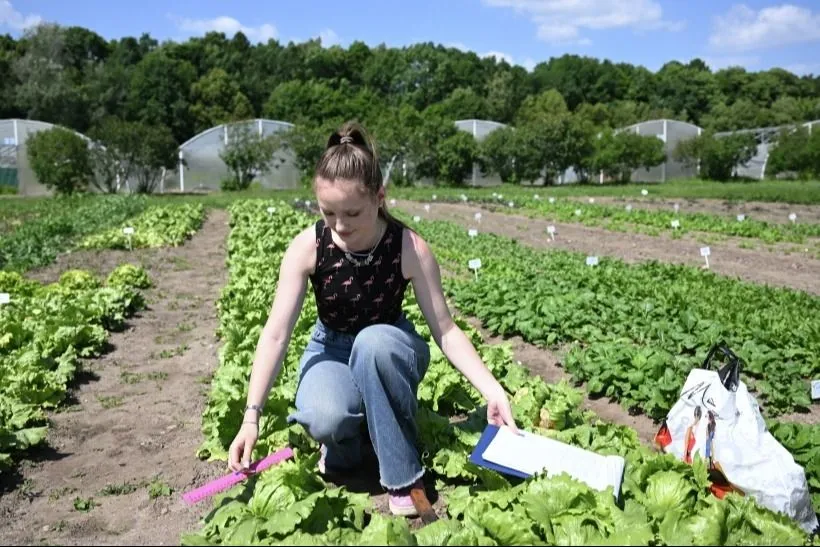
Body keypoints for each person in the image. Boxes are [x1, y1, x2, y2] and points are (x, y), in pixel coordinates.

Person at [227, 121, 519, 517]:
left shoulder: (409, 247)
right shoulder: (308, 246)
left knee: (374, 344)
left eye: (352, 213)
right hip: (331, 347)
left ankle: (402, 477)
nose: (340, 226)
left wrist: (492, 390)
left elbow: (446, 331)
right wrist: (251, 417)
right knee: (325, 416)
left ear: (380, 197)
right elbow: (277, 334)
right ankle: (353, 445)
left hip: (390, 346)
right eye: (328, 212)